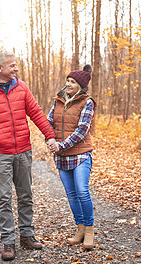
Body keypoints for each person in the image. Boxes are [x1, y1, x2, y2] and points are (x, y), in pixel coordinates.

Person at [0, 49, 56, 261]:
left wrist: (49, 136)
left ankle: (27, 235)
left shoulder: (21, 87)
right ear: (0, 68)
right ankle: (8, 241)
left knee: (26, 195)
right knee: (3, 198)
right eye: (12, 65)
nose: (16, 68)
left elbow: (36, 113)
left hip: (23, 150)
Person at [47, 65, 96, 249]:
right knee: (71, 195)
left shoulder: (87, 102)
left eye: (73, 82)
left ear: (80, 86)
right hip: (61, 155)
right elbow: (49, 122)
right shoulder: (58, 100)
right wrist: (50, 140)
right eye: (67, 80)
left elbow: (82, 131)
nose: (68, 83)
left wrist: (61, 145)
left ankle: (89, 230)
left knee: (82, 191)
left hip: (81, 154)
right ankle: (80, 229)